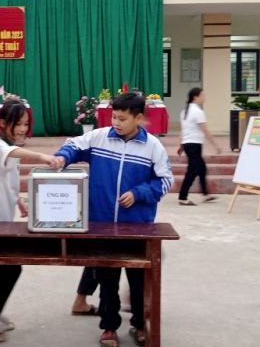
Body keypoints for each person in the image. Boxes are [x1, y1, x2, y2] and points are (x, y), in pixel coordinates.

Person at [53, 91, 174, 347]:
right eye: (114, 117)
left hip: (137, 227)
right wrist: (63, 157)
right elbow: (73, 145)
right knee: (107, 279)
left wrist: (139, 193)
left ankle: (139, 324)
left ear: (138, 118)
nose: (116, 123)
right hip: (102, 225)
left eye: (122, 119)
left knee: (138, 280)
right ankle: (109, 327)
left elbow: (165, 181)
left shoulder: (153, 147)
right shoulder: (99, 138)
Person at [0, 99, 60, 342]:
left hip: (4, 221)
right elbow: (11, 155)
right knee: (6, 269)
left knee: (6, 269)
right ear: (3, 122)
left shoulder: (9, 147)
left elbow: (7, 179)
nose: (23, 129)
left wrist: (19, 201)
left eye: (26, 124)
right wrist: (43, 156)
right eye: (18, 124)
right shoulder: (1, 146)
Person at [177, 87, 222, 206]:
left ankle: (206, 194)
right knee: (192, 171)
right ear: (195, 97)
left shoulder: (184, 112)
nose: (204, 98)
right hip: (194, 145)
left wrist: (181, 145)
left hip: (188, 144)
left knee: (202, 168)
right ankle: (182, 197)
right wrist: (216, 146)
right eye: (203, 95)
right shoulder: (197, 112)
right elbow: (205, 130)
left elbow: (183, 130)